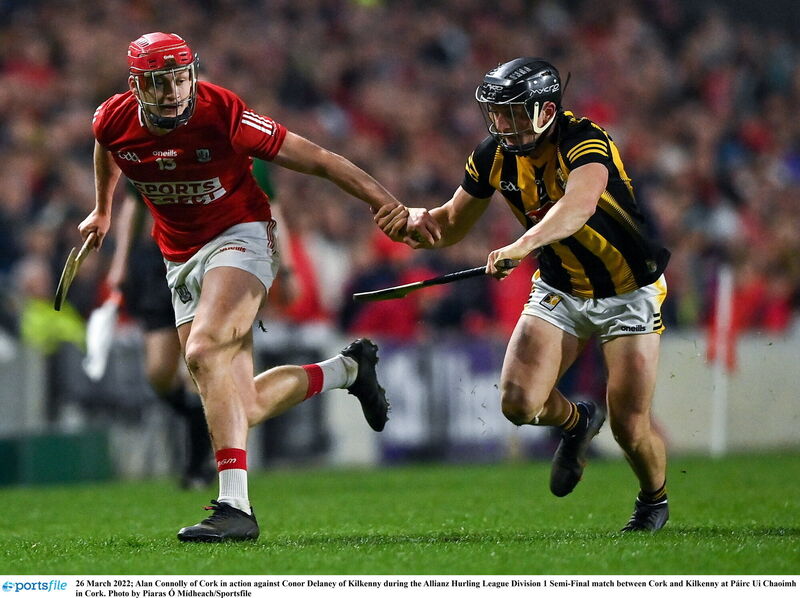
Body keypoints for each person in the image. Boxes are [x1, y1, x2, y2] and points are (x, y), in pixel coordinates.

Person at [78, 32, 435, 542]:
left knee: (202, 350)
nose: (174, 90)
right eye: (160, 82)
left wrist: (386, 204)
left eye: (180, 77)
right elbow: (105, 148)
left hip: (240, 235)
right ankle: (348, 370)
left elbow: (319, 159)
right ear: (137, 86)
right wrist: (103, 208)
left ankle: (235, 508)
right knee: (240, 407)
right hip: (177, 254)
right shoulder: (112, 119)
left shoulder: (222, 111)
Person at [378, 57, 671, 532]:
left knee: (630, 425)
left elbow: (578, 205)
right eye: (496, 113)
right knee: (517, 403)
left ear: (546, 110)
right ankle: (576, 421)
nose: (501, 124)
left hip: (628, 291)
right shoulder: (492, 154)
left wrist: (523, 244)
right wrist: (417, 227)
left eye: (513, 113)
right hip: (561, 286)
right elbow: (451, 224)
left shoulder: (585, 139)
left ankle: (652, 500)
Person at [106, 184, 214, 489]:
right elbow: (133, 204)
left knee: (197, 363)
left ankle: (197, 466)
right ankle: (206, 422)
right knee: (159, 374)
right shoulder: (141, 147)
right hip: (157, 259)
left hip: (201, 254)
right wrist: (121, 261)